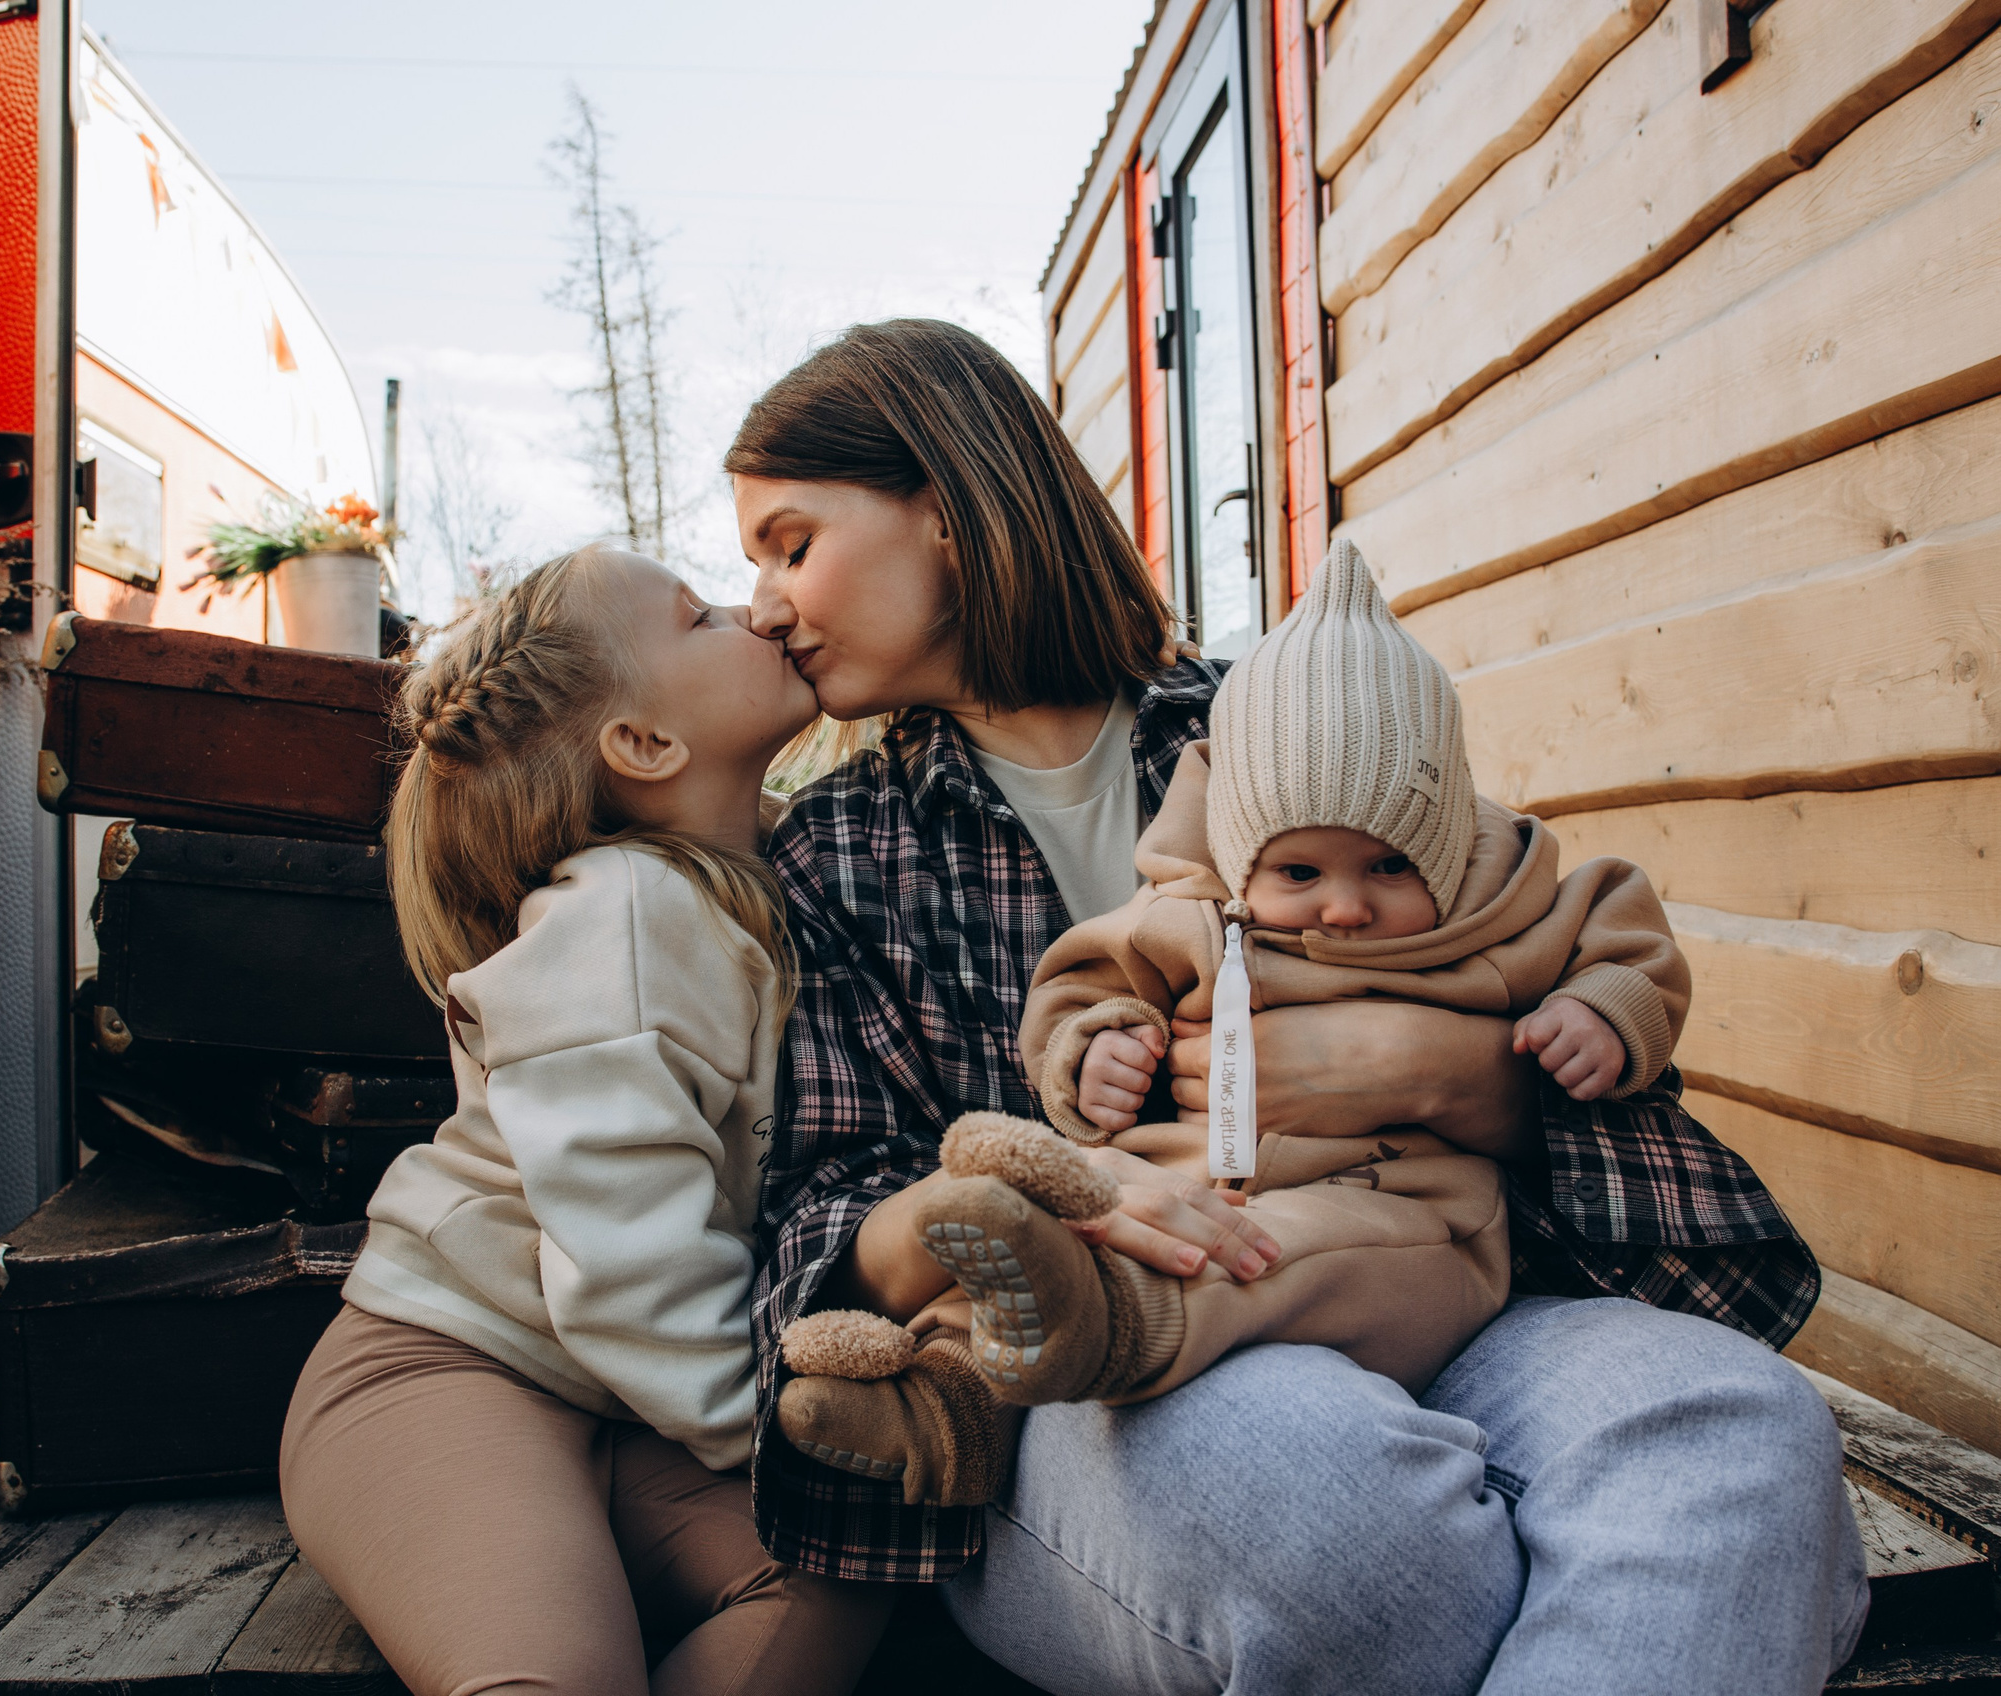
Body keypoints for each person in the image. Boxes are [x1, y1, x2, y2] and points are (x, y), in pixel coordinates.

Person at [729, 317, 1869, 1693]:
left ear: (948, 513)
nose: (764, 605)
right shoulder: (833, 855)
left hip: (1440, 1284)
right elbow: (813, 1223)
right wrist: (1033, 1198)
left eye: (791, 544)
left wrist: (1466, 1080)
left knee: (1738, 1433)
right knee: (1336, 1518)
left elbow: (1568, 991)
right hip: (1101, 1365)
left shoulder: (1301, 719)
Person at [771, 531, 1693, 1499]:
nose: (1344, 904)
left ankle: (1117, 1328)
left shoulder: (1496, 908)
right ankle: (943, 1399)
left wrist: (1604, 1015)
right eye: (1300, 872)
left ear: (1444, 846)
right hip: (1192, 1180)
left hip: (1404, 1216)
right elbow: (1085, 981)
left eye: (1388, 867)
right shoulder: (1200, 913)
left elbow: (1621, 929)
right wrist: (1094, 1053)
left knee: (1269, 1255)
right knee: (1069, 1225)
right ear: (1245, 854)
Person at [277, 547, 889, 1696]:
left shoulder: (764, 877)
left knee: (843, 1563)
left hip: (631, 1406)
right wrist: (766, 1438)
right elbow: (626, 1256)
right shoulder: (621, 917)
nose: (752, 609)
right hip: (448, 1371)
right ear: (646, 743)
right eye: (700, 616)